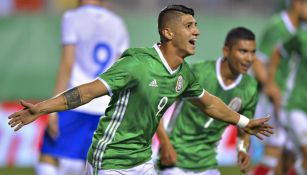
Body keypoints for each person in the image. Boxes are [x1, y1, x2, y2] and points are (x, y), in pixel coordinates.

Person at [8, 5, 273, 175]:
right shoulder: (137, 64)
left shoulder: (183, 73)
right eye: (190, 26)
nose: (198, 31)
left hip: (142, 160)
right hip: (110, 159)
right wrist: (42, 108)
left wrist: (244, 122)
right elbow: (87, 92)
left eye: (196, 25)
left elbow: (209, 103)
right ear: (168, 32)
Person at [36, 0, 129, 175]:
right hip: (104, 107)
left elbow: (67, 64)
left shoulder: (72, 17)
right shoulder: (118, 23)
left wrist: (52, 108)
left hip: (74, 101)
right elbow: (120, 71)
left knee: (49, 156)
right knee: (93, 164)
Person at [156, 27, 258, 175]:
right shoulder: (197, 72)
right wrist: (165, 144)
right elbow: (155, 106)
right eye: (243, 51)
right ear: (226, 51)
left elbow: (245, 128)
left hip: (208, 165)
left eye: (253, 52)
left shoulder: (250, 87)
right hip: (175, 162)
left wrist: (242, 149)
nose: (249, 58)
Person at [251, 0, 307, 174]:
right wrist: (270, 86)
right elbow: (259, 61)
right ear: (298, 4)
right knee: (275, 150)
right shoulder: (278, 25)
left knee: (286, 154)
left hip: (289, 97)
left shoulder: (301, 29)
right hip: (276, 98)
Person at [268, 24, 307, 175]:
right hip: (295, 104)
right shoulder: (302, 36)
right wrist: (271, 82)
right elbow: (279, 50)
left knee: (288, 159)